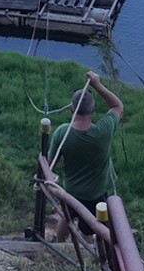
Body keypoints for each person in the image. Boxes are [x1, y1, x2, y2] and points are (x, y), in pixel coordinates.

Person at [49, 71, 123, 240]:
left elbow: (49, 163)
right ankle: (84, 254)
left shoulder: (62, 133)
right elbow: (117, 106)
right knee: (89, 227)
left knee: (66, 218)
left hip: (70, 192)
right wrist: (97, 84)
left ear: (71, 109)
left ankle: (59, 245)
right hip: (95, 195)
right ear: (93, 109)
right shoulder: (103, 131)